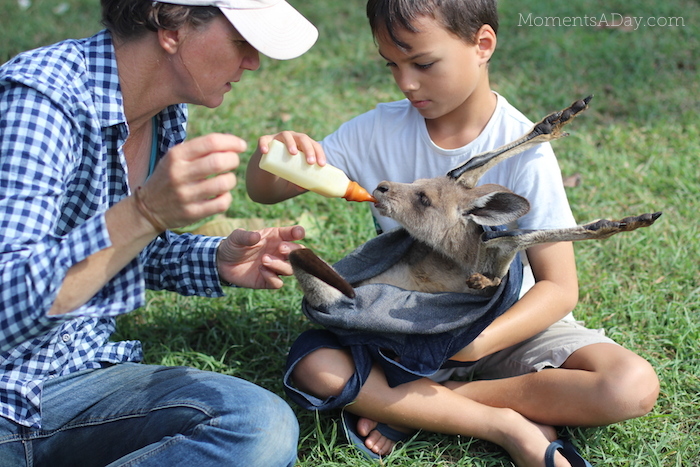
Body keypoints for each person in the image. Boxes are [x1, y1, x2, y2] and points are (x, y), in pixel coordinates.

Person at [245, 0, 659, 466]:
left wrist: (471, 346)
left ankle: (427, 404)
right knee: (315, 367)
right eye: (392, 66)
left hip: (500, 327)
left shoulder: (525, 150)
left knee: (631, 384)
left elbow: (560, 289)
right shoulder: (376, 130)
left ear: (482, 44)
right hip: (408, 323)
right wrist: (273, 155)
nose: (407, 83)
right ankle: (508, 425)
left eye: (423, 63)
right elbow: (266, 192)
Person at [0, 1, 318, 466]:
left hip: (75, 377)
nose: (253, 61)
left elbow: (117, 253)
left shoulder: (164, 113)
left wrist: (216, 261)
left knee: (260, 428)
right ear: (171, 26)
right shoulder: (39, 103)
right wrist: (145, 212)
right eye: (240, 42)